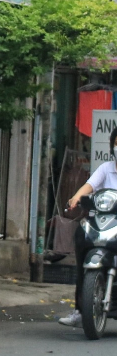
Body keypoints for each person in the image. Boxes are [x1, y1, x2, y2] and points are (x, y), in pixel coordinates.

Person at [59, 126, 117, 327]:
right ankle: (79, 310)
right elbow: (89, 186)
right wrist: (76, 197)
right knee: (83, 245)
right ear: (112, 146)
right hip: (103, 223)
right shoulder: (105, 168)